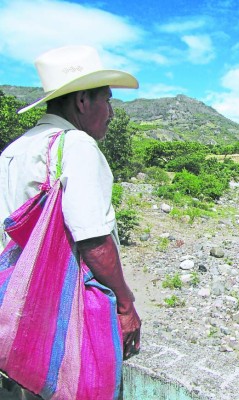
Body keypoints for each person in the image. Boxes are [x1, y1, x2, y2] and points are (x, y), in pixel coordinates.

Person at [0, 45, 141, 399]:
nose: (111, 113)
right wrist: (126, 304)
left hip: (17, 310)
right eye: (106, 101)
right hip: (59, 314)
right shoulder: (76, 145)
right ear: (82, 101)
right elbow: (94, 240)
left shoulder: (16, 149)